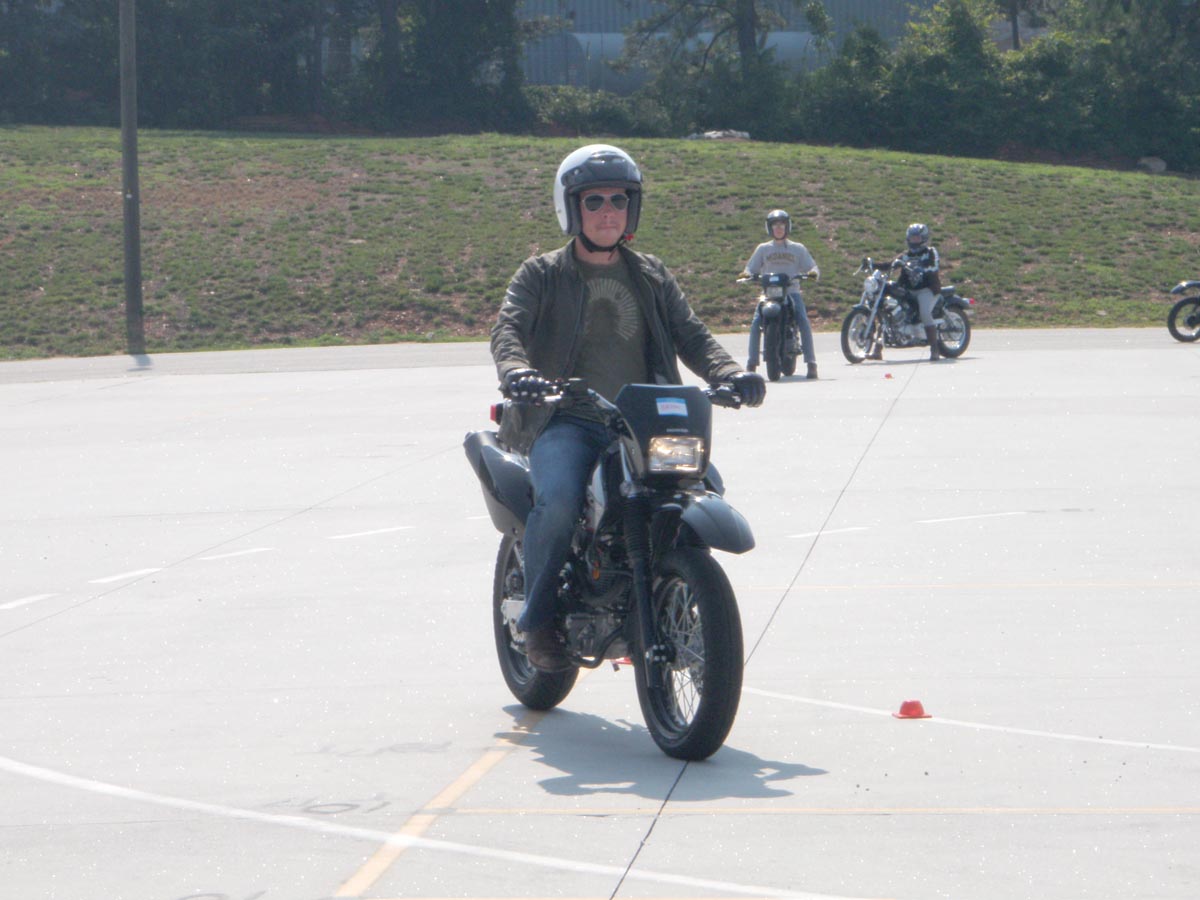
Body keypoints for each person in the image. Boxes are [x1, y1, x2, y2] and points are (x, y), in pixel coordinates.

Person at [490, 143, 766, 672]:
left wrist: (730, 374)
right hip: (567, 419)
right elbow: (508, 329)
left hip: (643, 422)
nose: (608, 211)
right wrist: (517, 372)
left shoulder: (651, 275)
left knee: (704, 485)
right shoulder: (541, 274)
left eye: (619, 199)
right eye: (594, 201)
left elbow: (693, 335)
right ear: (572, 208)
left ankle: (672, 594)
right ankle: (538, 619)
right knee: (560, 500)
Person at [740, 209, 820, 380]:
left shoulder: (797, 248)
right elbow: (750, 268)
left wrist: (813, 273)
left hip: (791, 292)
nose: (778, 228)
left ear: (787, 227)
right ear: (769, 228)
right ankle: (751, 363)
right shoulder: (763, 249)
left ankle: (811, 363)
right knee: (756, 322)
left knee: (803, 320)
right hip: (768, 294)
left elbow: (812, 266)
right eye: (775, 225)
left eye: (782, 225)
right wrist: (746, 274)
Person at [896, 222, 943, 361]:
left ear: (924, 238)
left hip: (927, 290)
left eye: (917, 238)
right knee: (889, 305)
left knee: (924, 313)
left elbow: (934, 266)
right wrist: (872, 264)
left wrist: (922, 268)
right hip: (909, 290)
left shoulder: (930, 252)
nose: (914, 240)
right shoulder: (906, 255)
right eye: (912, 238)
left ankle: (934, 348)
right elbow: (891, 264)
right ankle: (877, 348)